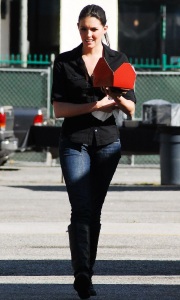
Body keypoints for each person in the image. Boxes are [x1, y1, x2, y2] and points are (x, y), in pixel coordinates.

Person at [51, 4, 136, 299]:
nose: (88, 34)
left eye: (94, 29)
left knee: (94, 211)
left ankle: (88, 269)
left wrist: (116, 97)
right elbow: (59, 109)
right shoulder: (64, 62)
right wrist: (93, 106)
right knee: (82, 207)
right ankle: (81, 274)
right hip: (74, 141)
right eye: (83, 28)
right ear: (78, 28)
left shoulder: (118, 60)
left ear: (105, 29)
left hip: (108, 142)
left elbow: (131, 107)